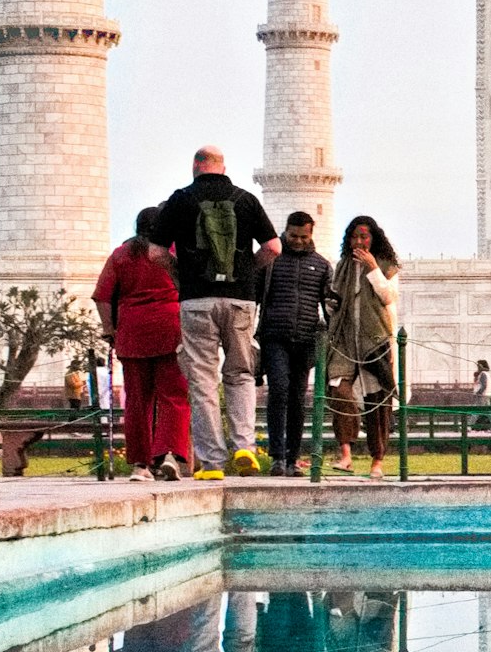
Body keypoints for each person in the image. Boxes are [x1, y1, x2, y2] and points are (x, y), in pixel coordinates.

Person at [150, 147, 277, 478]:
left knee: (203, 380)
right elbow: (273, 247)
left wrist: (181, 276)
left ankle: (213, 463)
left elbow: (155, 253)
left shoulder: (180, 199)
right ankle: (245, 448)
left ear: (195, 166)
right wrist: (247, 270)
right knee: (240, 374)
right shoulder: (245, 198)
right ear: (224, 168)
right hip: (240, 300)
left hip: (196, 300)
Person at [93, 208, 190, 477]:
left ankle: (140, 464)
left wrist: (109, 329)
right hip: (171, 328)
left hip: (132, 332)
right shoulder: (172, 251)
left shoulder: (121, 255)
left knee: (137, 400)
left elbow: (102, 296)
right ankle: (169, 454)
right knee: (174, 395)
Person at [258, 210, 337, 472]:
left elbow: (329, 305)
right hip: (274, 336)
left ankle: (292, 458)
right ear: (286, 231)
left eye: (303, 236)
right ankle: (277, 456)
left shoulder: (322, 265)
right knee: (278, 389)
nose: (299, 240)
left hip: (305, 339)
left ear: (311, 234)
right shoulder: (271, 260)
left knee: (297, 398)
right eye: (294, 235)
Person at [329, 217, 400, 467]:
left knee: (378, 400)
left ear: (373, 239)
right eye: (355, 237)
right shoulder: (343, 266)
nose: (359, 241)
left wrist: (373, 270)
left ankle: (377, 461)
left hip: (374, 341)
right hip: (346, 339)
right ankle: (346, 453)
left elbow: (389, 297)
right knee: (339, 390)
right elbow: (335, 299)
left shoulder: (386, 266)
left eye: (364, 237)